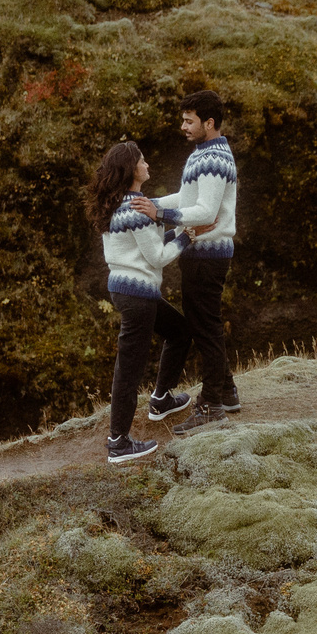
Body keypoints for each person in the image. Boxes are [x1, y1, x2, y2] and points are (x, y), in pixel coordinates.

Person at [127, 89, 240, 425]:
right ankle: (228, 392)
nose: (183, 126)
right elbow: (188, 197)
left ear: (209, 122)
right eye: (183, 119)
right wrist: (154, 206)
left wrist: (160, 216)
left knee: (205, 327)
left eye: (189, 121)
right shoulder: (203, 153)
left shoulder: (214, 158)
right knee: (205, 324)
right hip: (199, 251)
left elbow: (205, 211)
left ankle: (212, 406)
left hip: (209, 253)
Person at [88, 139, 191, 466]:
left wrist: (198, 191)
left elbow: (166, 205)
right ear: (132, 169)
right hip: (138, 297)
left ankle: (160, 399)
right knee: (128, 371)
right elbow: (158, 257)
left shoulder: (121, 204)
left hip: (126, 292)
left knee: (179, 331)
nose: (147, 164)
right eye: (142, 161)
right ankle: (118, 443)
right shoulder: (136, 210)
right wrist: (188, 235)